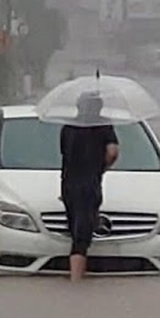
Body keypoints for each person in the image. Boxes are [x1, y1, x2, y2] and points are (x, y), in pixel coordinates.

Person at [59, 92, 119, 281]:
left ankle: (75, 279)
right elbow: (112, 151)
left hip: (68, 185)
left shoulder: (67, 128)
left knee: (75, 229)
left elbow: (64, 155)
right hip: (90, 185)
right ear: (99, 108)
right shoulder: (103, 126)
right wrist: (102, 166)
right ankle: (76, 281)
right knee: (81, 238)